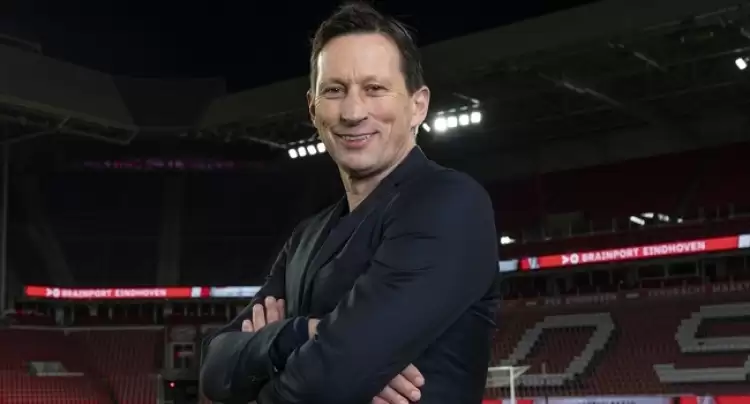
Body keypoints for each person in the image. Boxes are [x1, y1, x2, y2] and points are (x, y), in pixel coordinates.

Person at [199, 3, 499, 403]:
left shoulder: (449, 203)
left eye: (374, 89)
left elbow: (331, 379)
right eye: (334, 90)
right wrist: (300, 334)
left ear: (418, 105)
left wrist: (274, 357)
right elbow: (213, 368)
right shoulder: (305, 238)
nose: (353, 112)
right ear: (313, 109)